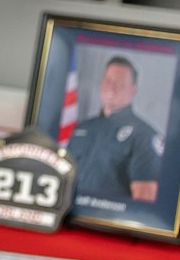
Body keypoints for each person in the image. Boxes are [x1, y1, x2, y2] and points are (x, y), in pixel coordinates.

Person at [69, 56, 164, 206]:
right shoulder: (82, 128)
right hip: (71, 214)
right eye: (108, 81)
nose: (111, 87)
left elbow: (145, 198)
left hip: (111, 222)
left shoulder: (145, 135)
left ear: (133, 90)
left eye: (119, 84)